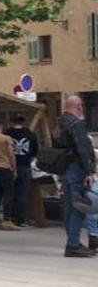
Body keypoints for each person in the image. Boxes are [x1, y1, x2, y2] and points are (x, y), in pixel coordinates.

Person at [57, 94, 97, 257]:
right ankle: (73, 245)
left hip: (65, 169)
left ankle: (72, 241)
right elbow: (82, 149)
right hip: (77, 169)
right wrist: (89, 171)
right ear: (78, 106)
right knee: (80, 207)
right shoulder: (77, 124)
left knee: (68, 208)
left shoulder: (60, 124)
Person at [5, 113, 39, 228]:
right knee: (23, 193)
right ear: (23, 121)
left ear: (11, 121)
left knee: (9, 192)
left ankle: (9, 217)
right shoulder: (30, 134)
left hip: (9, 166)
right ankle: (21, 219)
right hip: (25, 166)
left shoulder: (7, 134)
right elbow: (35, 152)